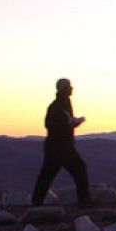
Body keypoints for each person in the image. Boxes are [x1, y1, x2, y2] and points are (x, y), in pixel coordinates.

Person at [31, 78, 91, 206]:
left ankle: (36, 201)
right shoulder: (57, 105)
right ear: (64, 89)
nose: (71, 88)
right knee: (79, 169)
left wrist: (71, 124)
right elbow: (49, 125)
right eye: (69, 86)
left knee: (47, 175)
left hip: (56, 146)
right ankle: (84, 201)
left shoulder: (64, 103)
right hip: (61, 146)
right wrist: (69, 125)